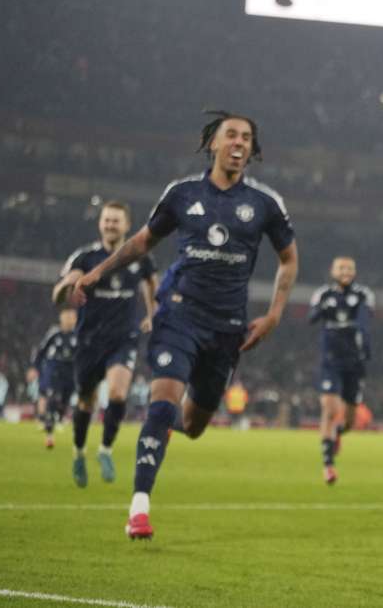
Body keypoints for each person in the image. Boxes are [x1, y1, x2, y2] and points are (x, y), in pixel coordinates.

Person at [67, 111, 298, 540]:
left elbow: (289, 258)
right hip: (179, 314)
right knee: (162, 402)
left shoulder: (266, 204)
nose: (239, 142)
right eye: (231, 134)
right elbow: (142, 241)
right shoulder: (182, 193)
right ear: (213, 142)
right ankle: (138, 508)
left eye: (247, 137)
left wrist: (275, 314)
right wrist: (99, 272)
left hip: (228, 327)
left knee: (191, 426)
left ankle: (159, 427)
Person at [53, 201, 158, 486]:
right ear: (100, 224)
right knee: (86, 400)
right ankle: (78, 452)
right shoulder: (85, 257)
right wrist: (66, 287)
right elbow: (59, 293)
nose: (111, 225)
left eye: (116, 221)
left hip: (123, 338)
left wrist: (152, 315)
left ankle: (105, 450)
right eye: (107, 220)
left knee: (118, 393)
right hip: (89, 341)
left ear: (126, 224)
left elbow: (152, 285)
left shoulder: (139, 256)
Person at [308, 256, 373, 485]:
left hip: (354, 363)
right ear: (332, 270)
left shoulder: (364, 294)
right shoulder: (323, 294)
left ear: (354, 272)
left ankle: (336, 434)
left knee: (348, 422)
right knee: (329, 408)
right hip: (331, 360)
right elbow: (311, 318)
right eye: (341, 267)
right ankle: (328, 465)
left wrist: (365, 345)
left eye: (349, 268)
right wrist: (323, 309)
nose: (345, 271)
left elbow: (365, 320)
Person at [27, 309, 79, 449]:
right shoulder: (54, 333)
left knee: (65, 400)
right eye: (67, 316)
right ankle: (49, 434)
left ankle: (60, 417)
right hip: (55, 370)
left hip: (71, 372)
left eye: (72, 316)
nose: (69, 319)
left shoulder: (78, 334)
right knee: (52, 397)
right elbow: (41, 351)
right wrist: (34, 367)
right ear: (61, 317)